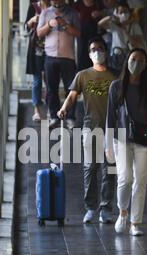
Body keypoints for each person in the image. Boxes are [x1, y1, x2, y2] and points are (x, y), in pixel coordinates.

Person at [57, 37, 116, 224]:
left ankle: (106, 208)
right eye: (93, 49)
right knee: (90, 167)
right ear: (89, 54)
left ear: (105, 52)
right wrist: (64, 108)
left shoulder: (115, 77)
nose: (97, 51)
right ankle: (91, 207)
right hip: (90, 126)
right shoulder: (82, 75)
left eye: (100, 48)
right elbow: (72, 96)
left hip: (111, 129)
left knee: (109, 170)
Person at [105, 48, 147, 236]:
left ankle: (135, 222)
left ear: (145, 66)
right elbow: (110, 117)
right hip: (121, 138)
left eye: (141, 61)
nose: (137, 63)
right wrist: (107, 144)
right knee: (125, 179)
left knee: (140, 180)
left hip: (144, 139)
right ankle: (123, 212)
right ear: (127, 61)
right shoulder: (116, 87)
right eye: (134, 59)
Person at [37, 0, 81, 130]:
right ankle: (54, 116)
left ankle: (70, 117)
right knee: (51, 89)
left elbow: (78, 33)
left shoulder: (73, 13)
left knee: (71, 89)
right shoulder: (45, 13)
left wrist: (65, 25)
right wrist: (49, 25)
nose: (56, 2)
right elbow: (39, 33)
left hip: (68, 57)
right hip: (50, 57)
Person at [98, 1, 147, 75]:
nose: (123, 14)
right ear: (117, 13)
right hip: (116, 55)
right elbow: (100, 24)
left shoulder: (134, 26)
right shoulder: (114, 25)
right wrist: (111, 17)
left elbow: (136, 43)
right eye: (121, 12)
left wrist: (125, 29)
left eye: (125, 11)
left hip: (129, 56)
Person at [25, 0, 50, 122]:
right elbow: (26, 26)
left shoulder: (53, 7)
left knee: (50, 80)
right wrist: (32, 20)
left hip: (51, 49)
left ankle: (51, 109)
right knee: (37, 81)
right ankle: (37, 111)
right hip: (36, 49)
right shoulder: (33, 7)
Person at [72, 0, 104, 71]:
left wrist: (100, 14)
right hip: (81, 33)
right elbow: (73, 18)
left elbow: (105, 14)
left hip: (95, 33)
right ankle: (81, 75)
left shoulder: (98, 3)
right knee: (82, 54)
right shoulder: (77, 4)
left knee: (95, 52)